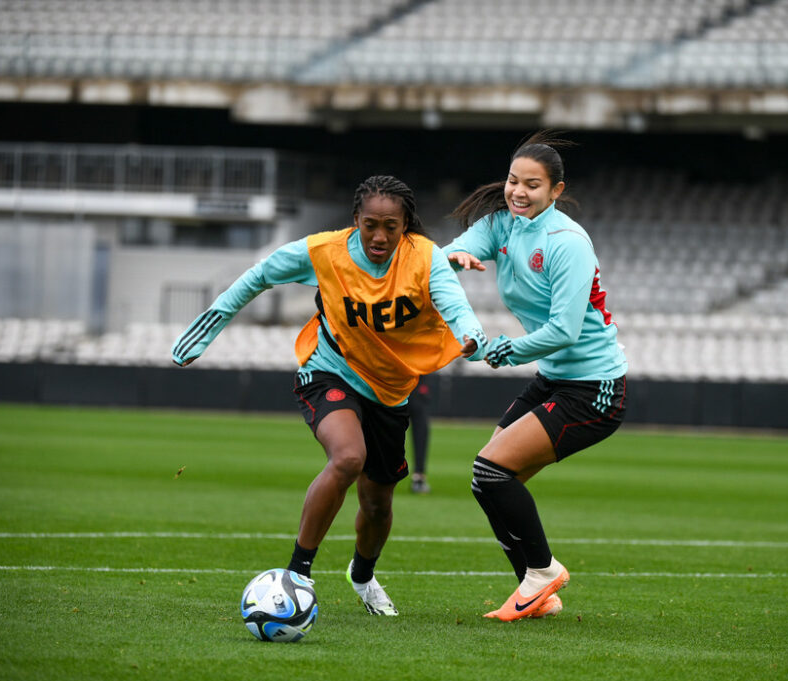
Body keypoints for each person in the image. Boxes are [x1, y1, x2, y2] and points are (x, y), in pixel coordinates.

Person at [172, 175, 487, 616]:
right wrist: (213, 321)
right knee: (347, 457)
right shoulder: (323, 251)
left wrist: (472, 335)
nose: (379, 236)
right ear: (355, 219)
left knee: (378, 506)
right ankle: (296, 576)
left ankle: (362, 575)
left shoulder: (427, 259)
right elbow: (259, 275)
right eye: (370, 224)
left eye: (390, 227)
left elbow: (455, 305)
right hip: (329, 370)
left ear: (406, 226)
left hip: (392, 391)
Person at [443, 132, 628, 622]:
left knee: (492, 470)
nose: (517, 192)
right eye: (512, 180)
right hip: (555, 379)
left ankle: (542, 573)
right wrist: (453, 257)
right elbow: (454, 251)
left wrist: (504, 351)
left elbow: (565, 330)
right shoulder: (502, 224)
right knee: (489, 481)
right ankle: (539, 587)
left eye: (532, 185)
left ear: (556, 191)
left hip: (595, 387)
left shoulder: (566, 242)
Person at [407, 376, 431, 494]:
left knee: (421, 432)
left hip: (412, 385)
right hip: (400, 385)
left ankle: (419, 476)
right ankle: (418, 477)